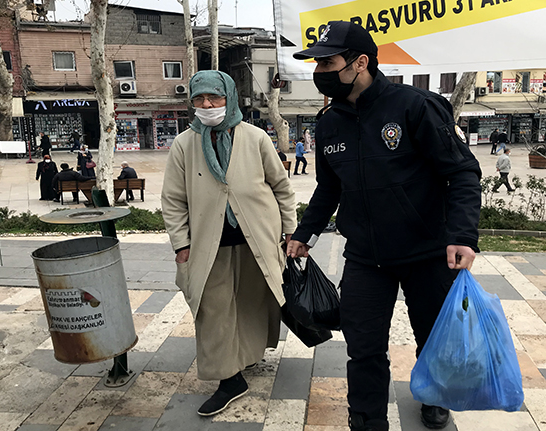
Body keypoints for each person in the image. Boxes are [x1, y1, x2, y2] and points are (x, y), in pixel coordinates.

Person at [287, 21, 481, 431]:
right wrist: (306, 232)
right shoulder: (329, 123)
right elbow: (329, 186)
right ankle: (367, 420)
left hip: (426, 254)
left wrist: (462, 235)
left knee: (432, 336)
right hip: (364, 258)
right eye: (316, 64)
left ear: (361, 62)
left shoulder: (415, 106)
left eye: (328, 63)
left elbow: (462, 172)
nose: (320, 72)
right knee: (363, 349)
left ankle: (434, 396)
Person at [161, 70, 296, 417]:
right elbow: (173, 200)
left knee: (252, 303)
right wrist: (181, 245)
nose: (207, 105)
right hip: (208, 245)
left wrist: (290, 231)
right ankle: (229, 379)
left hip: (258, 241)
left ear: (229, 98)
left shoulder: (255, 138)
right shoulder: (184, 144)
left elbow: (281, 187)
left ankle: (245, 359)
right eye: (199, 99)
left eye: (214, 98)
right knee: (213, 310)